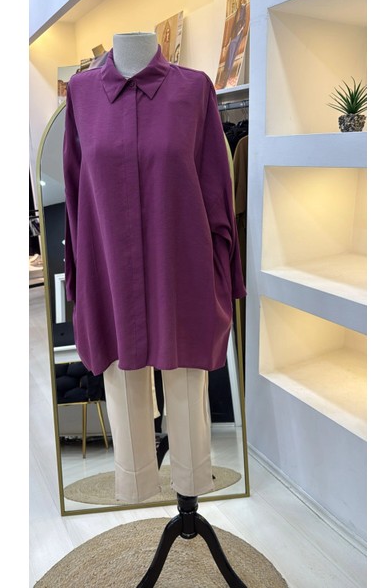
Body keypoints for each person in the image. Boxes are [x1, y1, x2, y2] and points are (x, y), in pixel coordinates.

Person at [63, 32, 246, 504]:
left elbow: (217, 192)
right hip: (109, 269)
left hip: (181, 267)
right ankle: (136, 483)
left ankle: (191, 486)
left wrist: (226, 276)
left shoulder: (194, 89)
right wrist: (79, 282)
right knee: (121, 377)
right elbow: (78, 197)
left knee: (185, 379)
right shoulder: (81, 94)